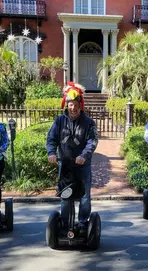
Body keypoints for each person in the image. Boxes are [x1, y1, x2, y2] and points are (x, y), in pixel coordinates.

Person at [46, 82, 98, 235]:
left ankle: (82, 223)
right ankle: (65, 222)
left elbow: (92, 141)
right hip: (65, 164)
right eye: (70, 104)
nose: (73, 108)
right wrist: (51, 153)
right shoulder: (59, 121)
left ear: (80, 105)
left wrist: (83, 155)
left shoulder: (88, 123)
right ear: (66, 105)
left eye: (75, 104)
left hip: (82, 165)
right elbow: (51, 139)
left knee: (84, 196)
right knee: (65, 194)